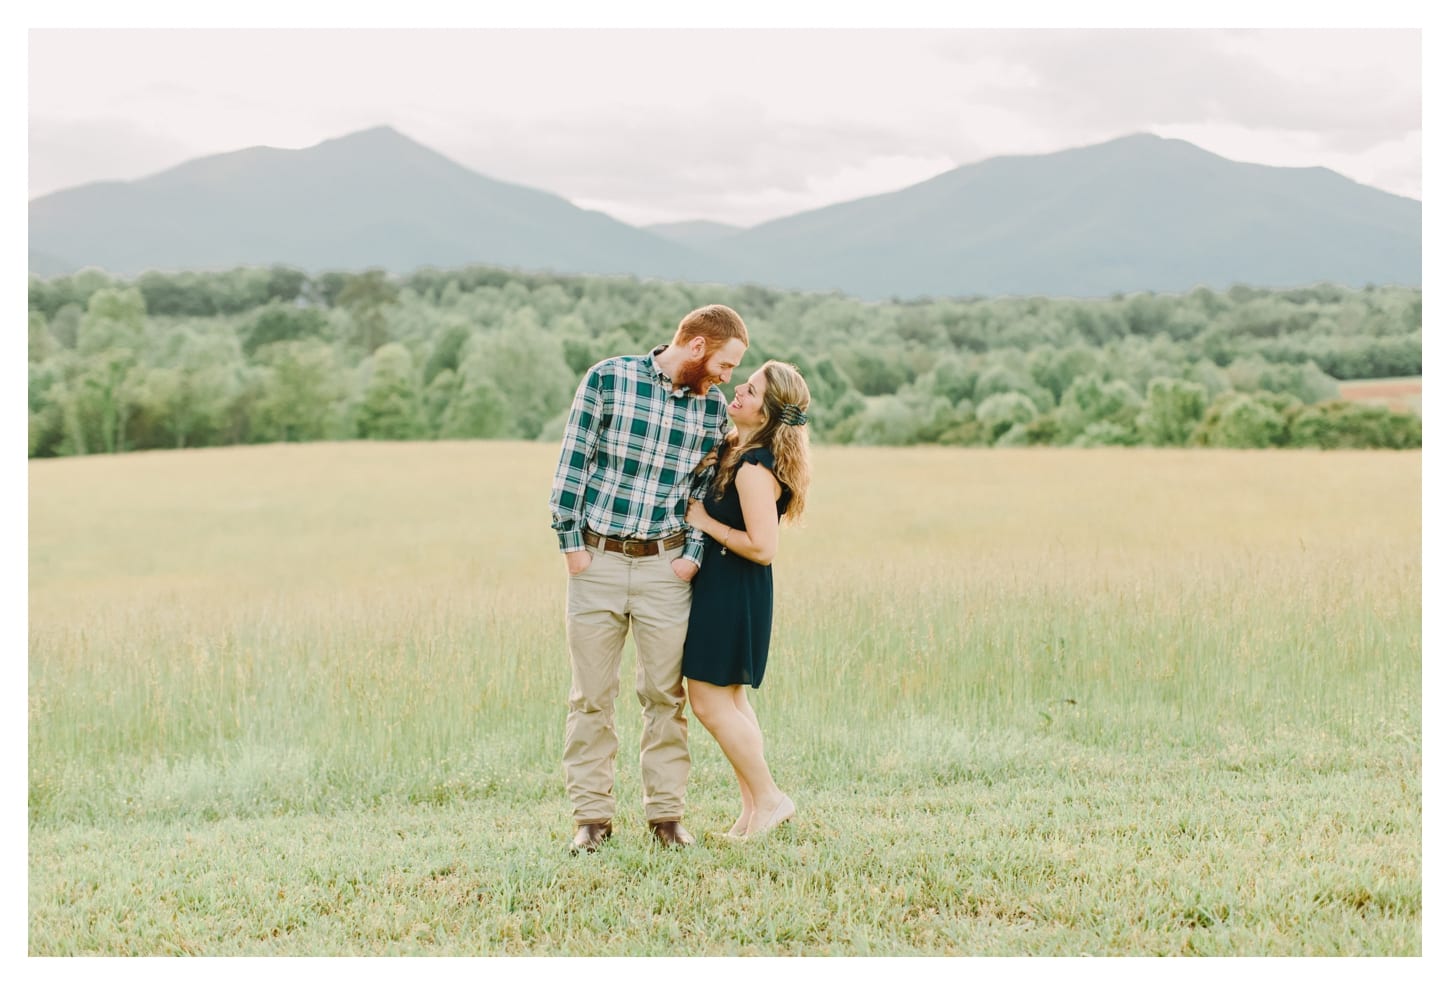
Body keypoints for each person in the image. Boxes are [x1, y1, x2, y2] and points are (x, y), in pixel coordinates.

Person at [549, 304, 749, 854]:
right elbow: (573, 464)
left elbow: (709, 490)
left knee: (664, 695)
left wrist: (692, 554)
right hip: (597, 562)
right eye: (727, 365)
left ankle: (665, 817)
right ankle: (591, 820)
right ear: (698, 347)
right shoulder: (609, 378)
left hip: (667, 568)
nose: (727, 379)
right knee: (591, 697)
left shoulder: (712, 412)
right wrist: (572, 548)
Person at [681, 359, 812, 840]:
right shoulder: (741, 450)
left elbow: (763, 547)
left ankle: (773, 798)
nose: (740, 389)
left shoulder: (756, 468)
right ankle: (754, 810)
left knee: (709, 703)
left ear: (767, 415)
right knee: (732, 700)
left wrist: (705, 521)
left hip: (734, 590)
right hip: (727, 586)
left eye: (752, 391)